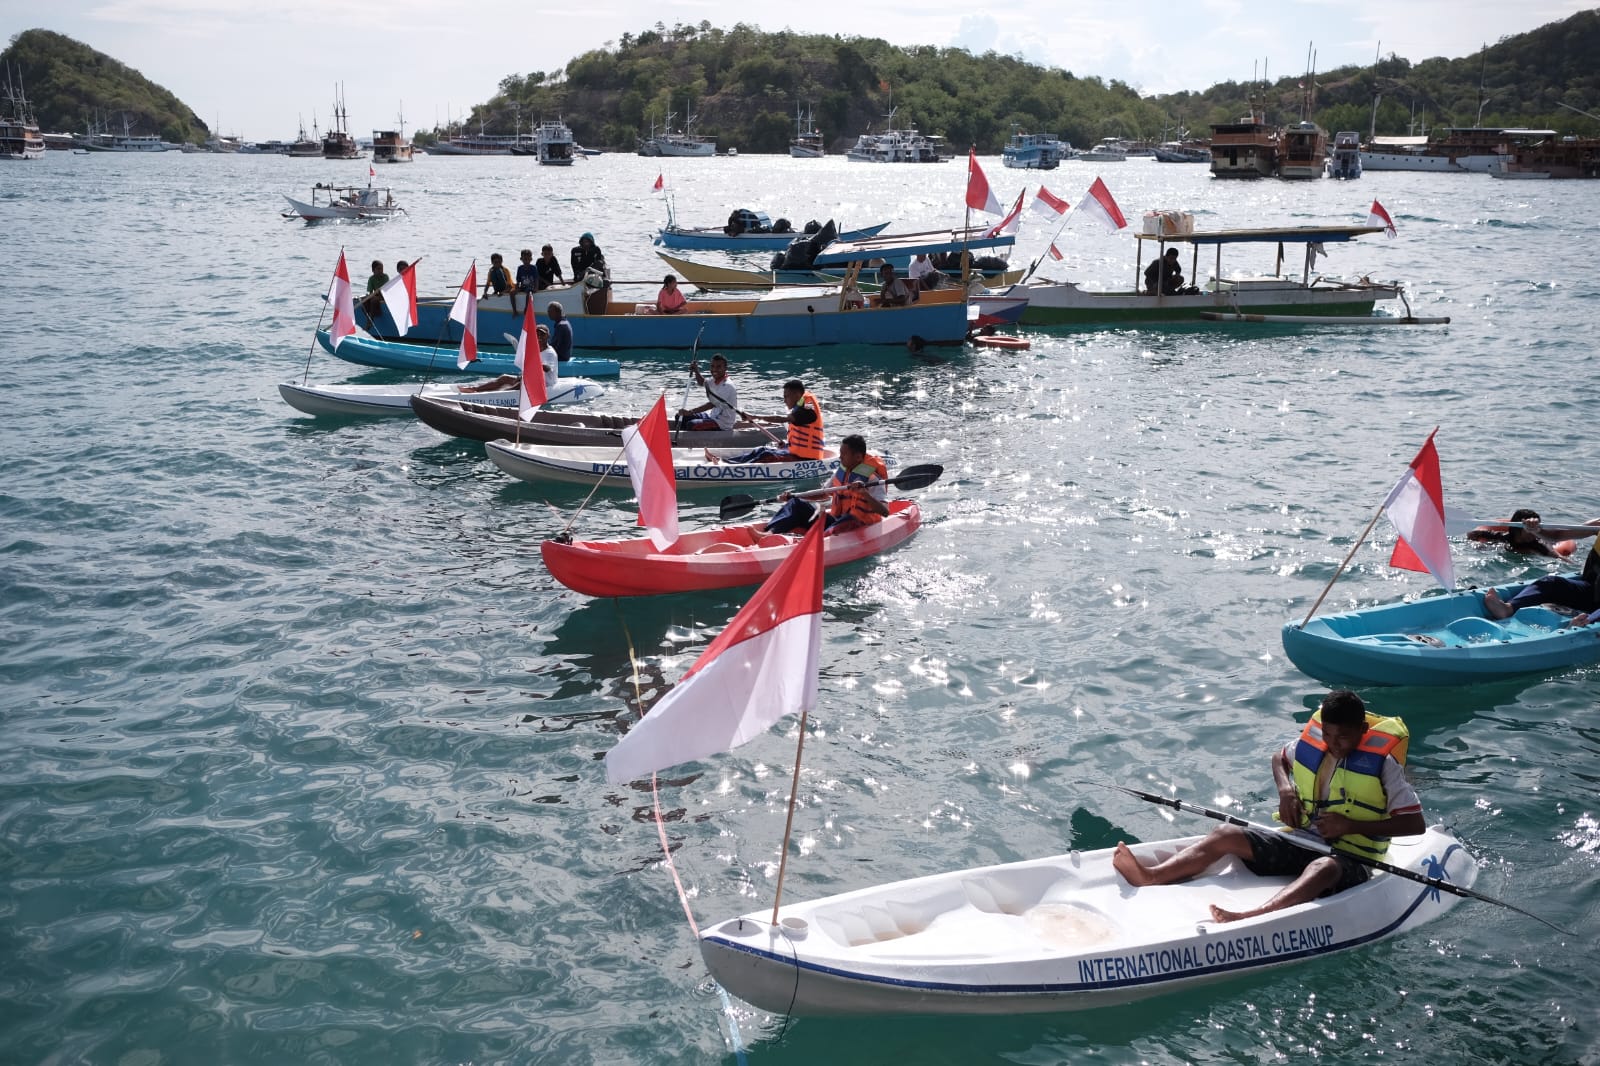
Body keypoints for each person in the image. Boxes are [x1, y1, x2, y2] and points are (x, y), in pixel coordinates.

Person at [1112, 690, 1423, 924]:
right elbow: (1279, 758)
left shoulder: (1384, 766)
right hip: (1303, 840)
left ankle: (1254, 916)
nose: (1334, 742)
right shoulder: (1314, 745)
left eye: (1343, 736)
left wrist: (1350, 826)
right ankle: (1151, 876)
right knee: (1225, 833)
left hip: (1353, 858)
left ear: (1362, 731)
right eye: (1328, 733)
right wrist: (1286, 790)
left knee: (1324, 867)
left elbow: (1414, 824)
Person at [767, 434, 890, 536]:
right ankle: (770, 533)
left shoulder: (872, 478)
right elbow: (823, 493)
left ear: (857, 457)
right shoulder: (841, 472)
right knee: (795, 504)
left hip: (857, 523)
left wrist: (864, 493)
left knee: (846, 520)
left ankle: (813, 542)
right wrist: (795, 497)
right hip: (837, 519)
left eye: (844, 454)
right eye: (840, 453)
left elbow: (884, 511)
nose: (840, 457)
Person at [1483, 530, 1600, 625]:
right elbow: (1556, 535)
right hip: (1593, 592)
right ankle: (1508, 609)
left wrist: (1590, 620)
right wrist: (1535, 529)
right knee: (1550, 582)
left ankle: (1585, 622)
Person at [713, 380, 823, 464]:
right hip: (795, 452)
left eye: (786, 396)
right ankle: (725, 461)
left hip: (807, 459)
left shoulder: (808, 411)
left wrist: (755, 417)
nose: (784, 400)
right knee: (760, 449)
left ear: (797, 395)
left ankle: (730, 467)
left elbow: (782, 419)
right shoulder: (800, 404)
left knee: (766, 455)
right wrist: (786, 445)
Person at [678, 354, 738, 432]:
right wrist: (696, 371)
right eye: (712, 366)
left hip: (722, 423)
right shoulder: (714, 380)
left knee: (691, 424)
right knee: (679, 417)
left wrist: (690, 412)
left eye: (718, 367)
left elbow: (711, 404)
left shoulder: (727, 385)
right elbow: (702, 382)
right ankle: (681, 435)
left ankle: (687, 438)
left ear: (725, 368)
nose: (714, 369)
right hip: (711, 416)